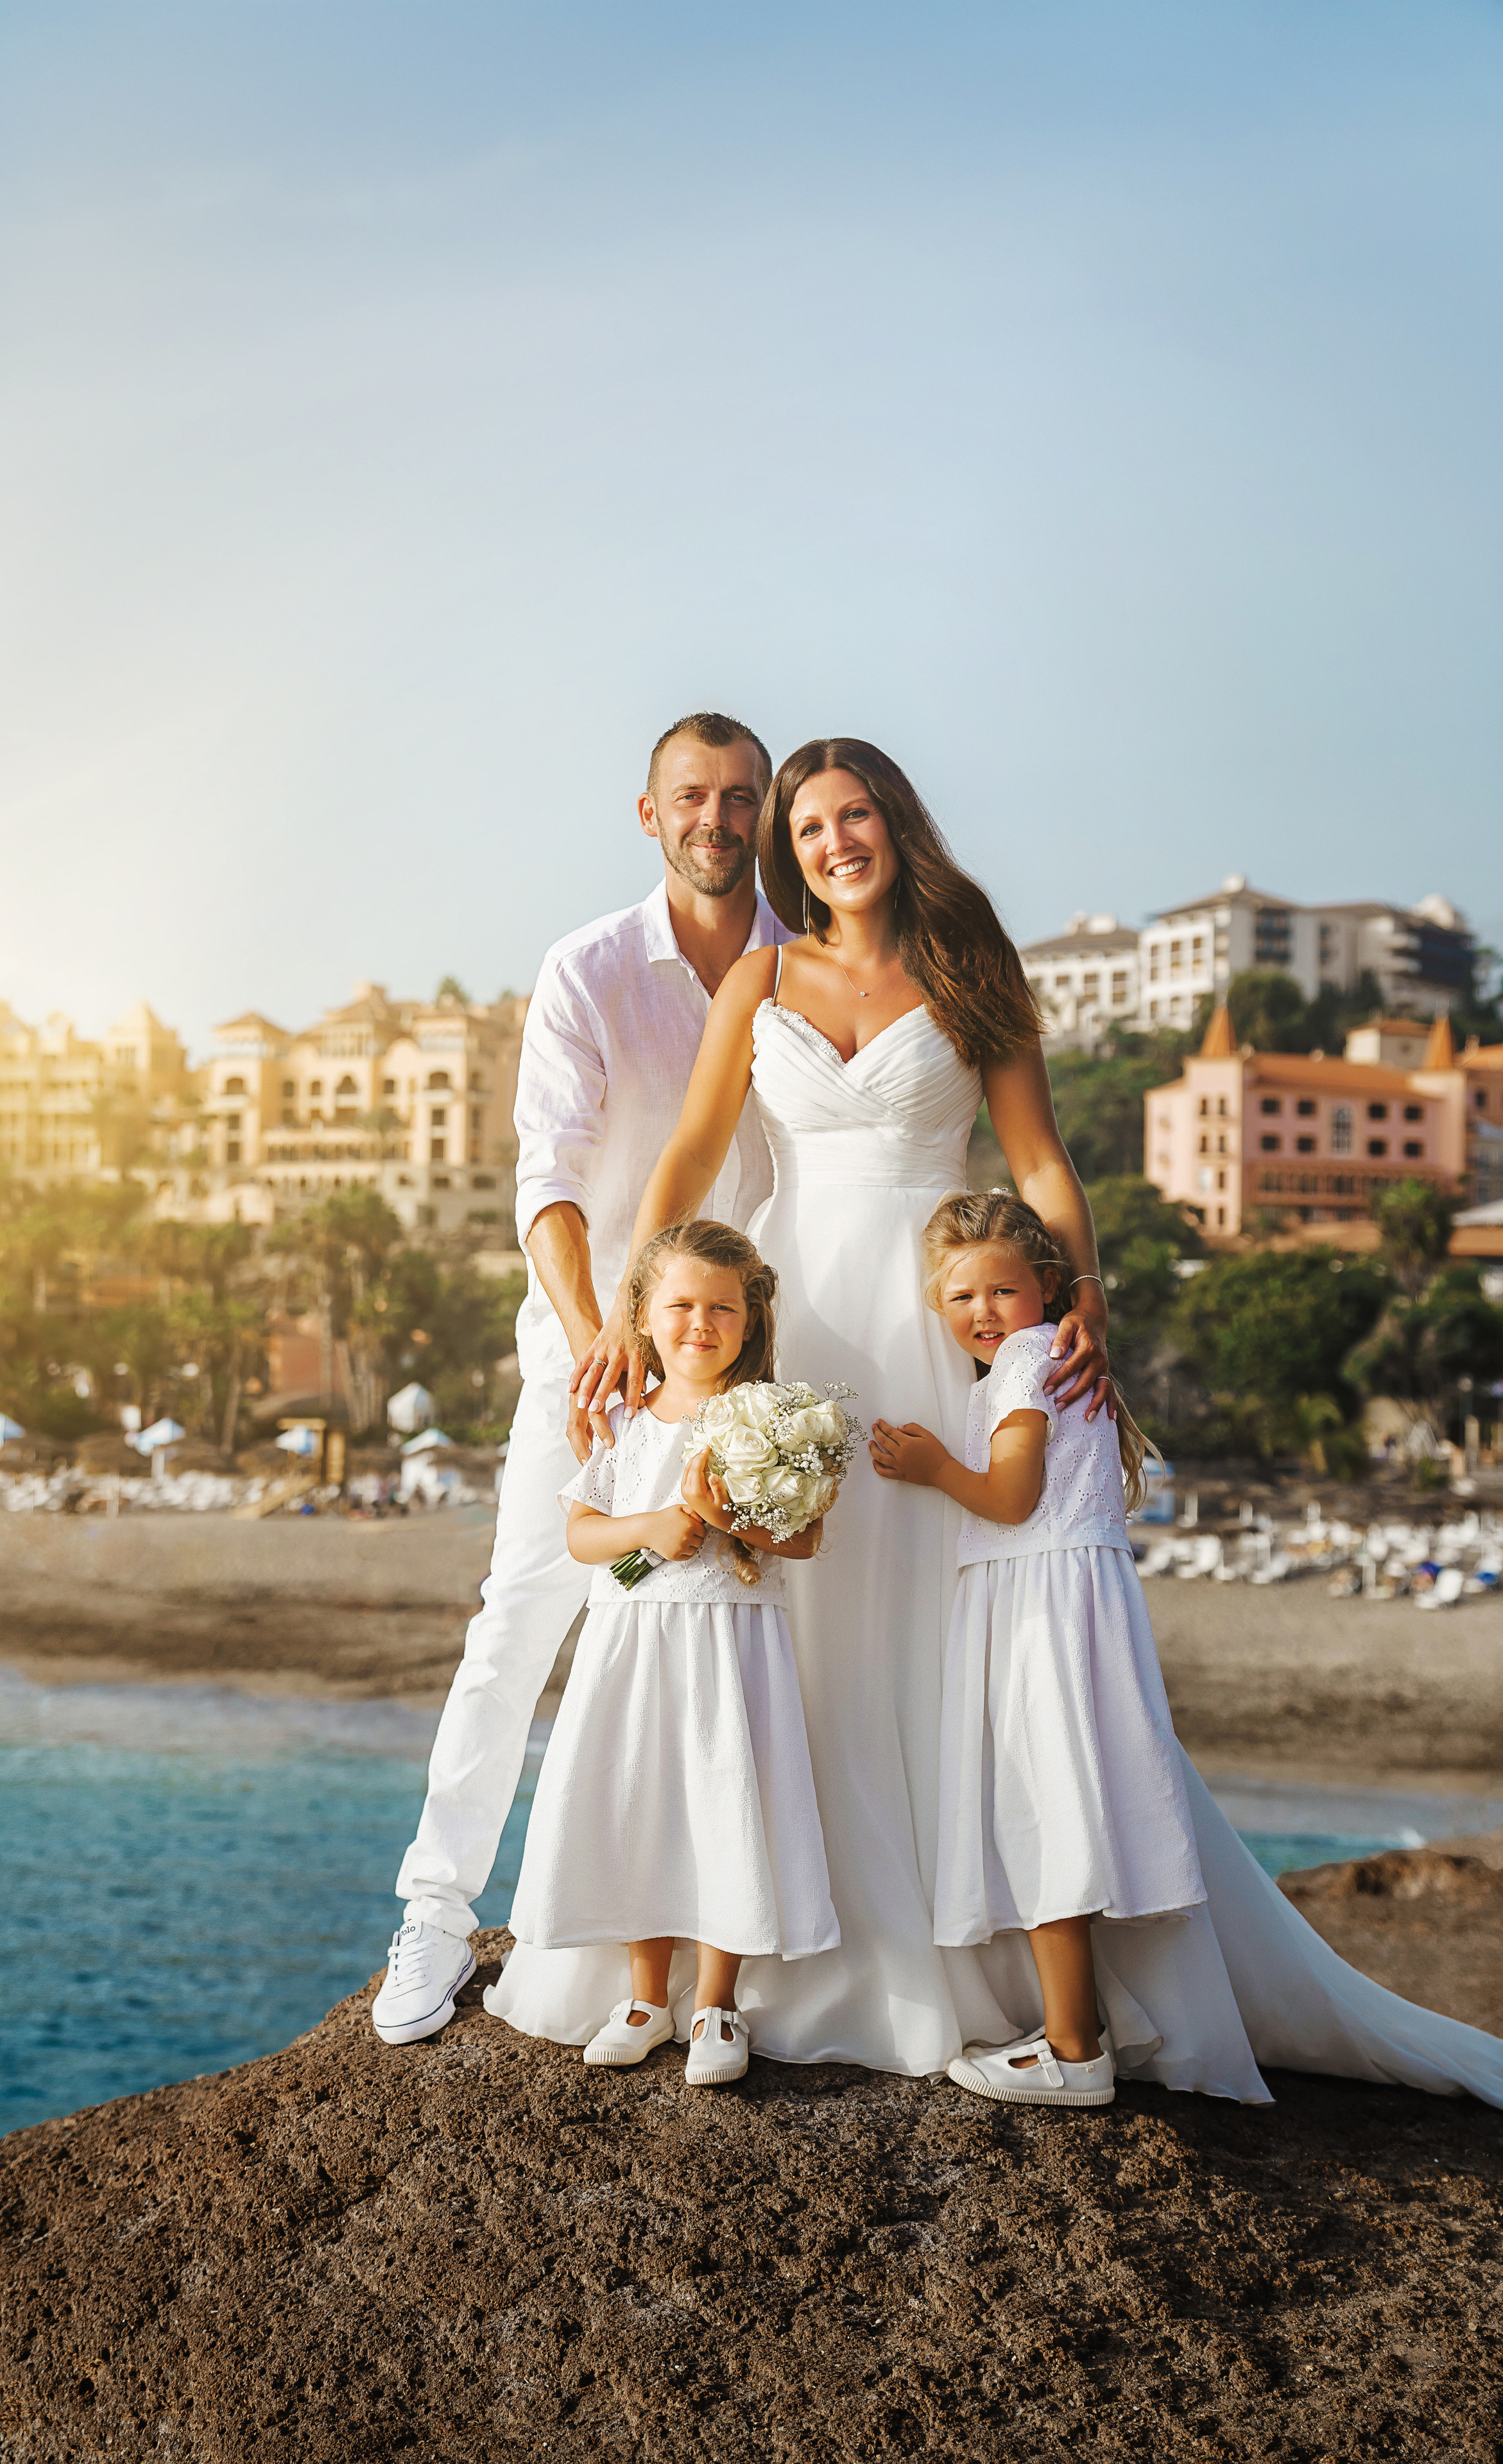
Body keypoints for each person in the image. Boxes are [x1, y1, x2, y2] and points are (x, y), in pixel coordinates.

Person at [491, 736, 1503, 2109]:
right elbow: (686, 1156)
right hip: (800, 1329)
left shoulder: (971, 961)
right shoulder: (760, 975)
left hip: (931, 1324)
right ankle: (731, 1966)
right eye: (807, 827)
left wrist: (1077, 1299)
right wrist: (629, 1303)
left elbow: (1037, 1162)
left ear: (896, 823)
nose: (831, 843)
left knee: (940, 1622)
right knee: (774, 1623)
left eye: (852, 816)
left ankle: (950, 1960)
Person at [372, 712, 789, 2046]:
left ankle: (741, 1953)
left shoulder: (812, 962)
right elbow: (545, 1179)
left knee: (737, 1636)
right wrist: (596, 1329)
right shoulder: (590, 968)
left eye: (737, 800)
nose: (715, 822)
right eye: (690, 798)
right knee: (528, 1612)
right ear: (646, 812)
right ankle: (436, 1913)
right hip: (592, 1356)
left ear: (764, 811)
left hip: (757, 1368)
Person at [872, 1190, 1205, 2109]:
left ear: (1049, 1287)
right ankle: (1081, 2027)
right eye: (961, 1299)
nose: (983, 1313)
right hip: (1077, 1604)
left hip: (1038, 1615)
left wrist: (935, 1467)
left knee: (1042, 1815)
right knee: (1060, 1812)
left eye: (1003, 1291)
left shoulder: (1025, 1362)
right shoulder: (1052, 1357)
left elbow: (1014, 1498)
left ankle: (1073, 2049)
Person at [506, 1220, 838, 2087]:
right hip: (634, 1647)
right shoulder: (618, 1421)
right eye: (681, 1305)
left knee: (726, 1809)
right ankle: (647, 1998)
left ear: (751, 1318)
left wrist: (727, 1518)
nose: (701, 1323)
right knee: (640, 1807)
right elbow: (586, 1539)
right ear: (644, 1316)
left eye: (722, 1307)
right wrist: (650, 1529)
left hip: (730, 1647)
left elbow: (801, 1544)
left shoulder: (768, 1421)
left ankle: (717, 2003)